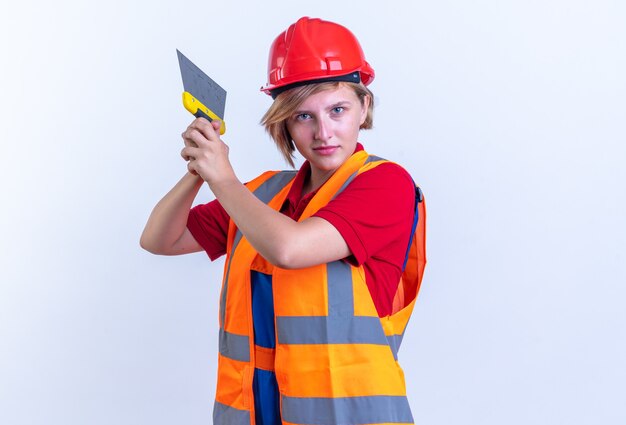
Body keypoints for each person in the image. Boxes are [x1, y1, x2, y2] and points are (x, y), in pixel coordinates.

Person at [141, 16, 426, 425]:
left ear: (364, 107)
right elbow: (159, 240)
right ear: (285, 124)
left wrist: (222, 176)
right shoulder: (261, 195)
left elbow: (290, 249)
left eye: (338, 109)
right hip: (259, 412)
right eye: (304, 116)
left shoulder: (386, 184)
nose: (324, 131)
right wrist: (198, 171)